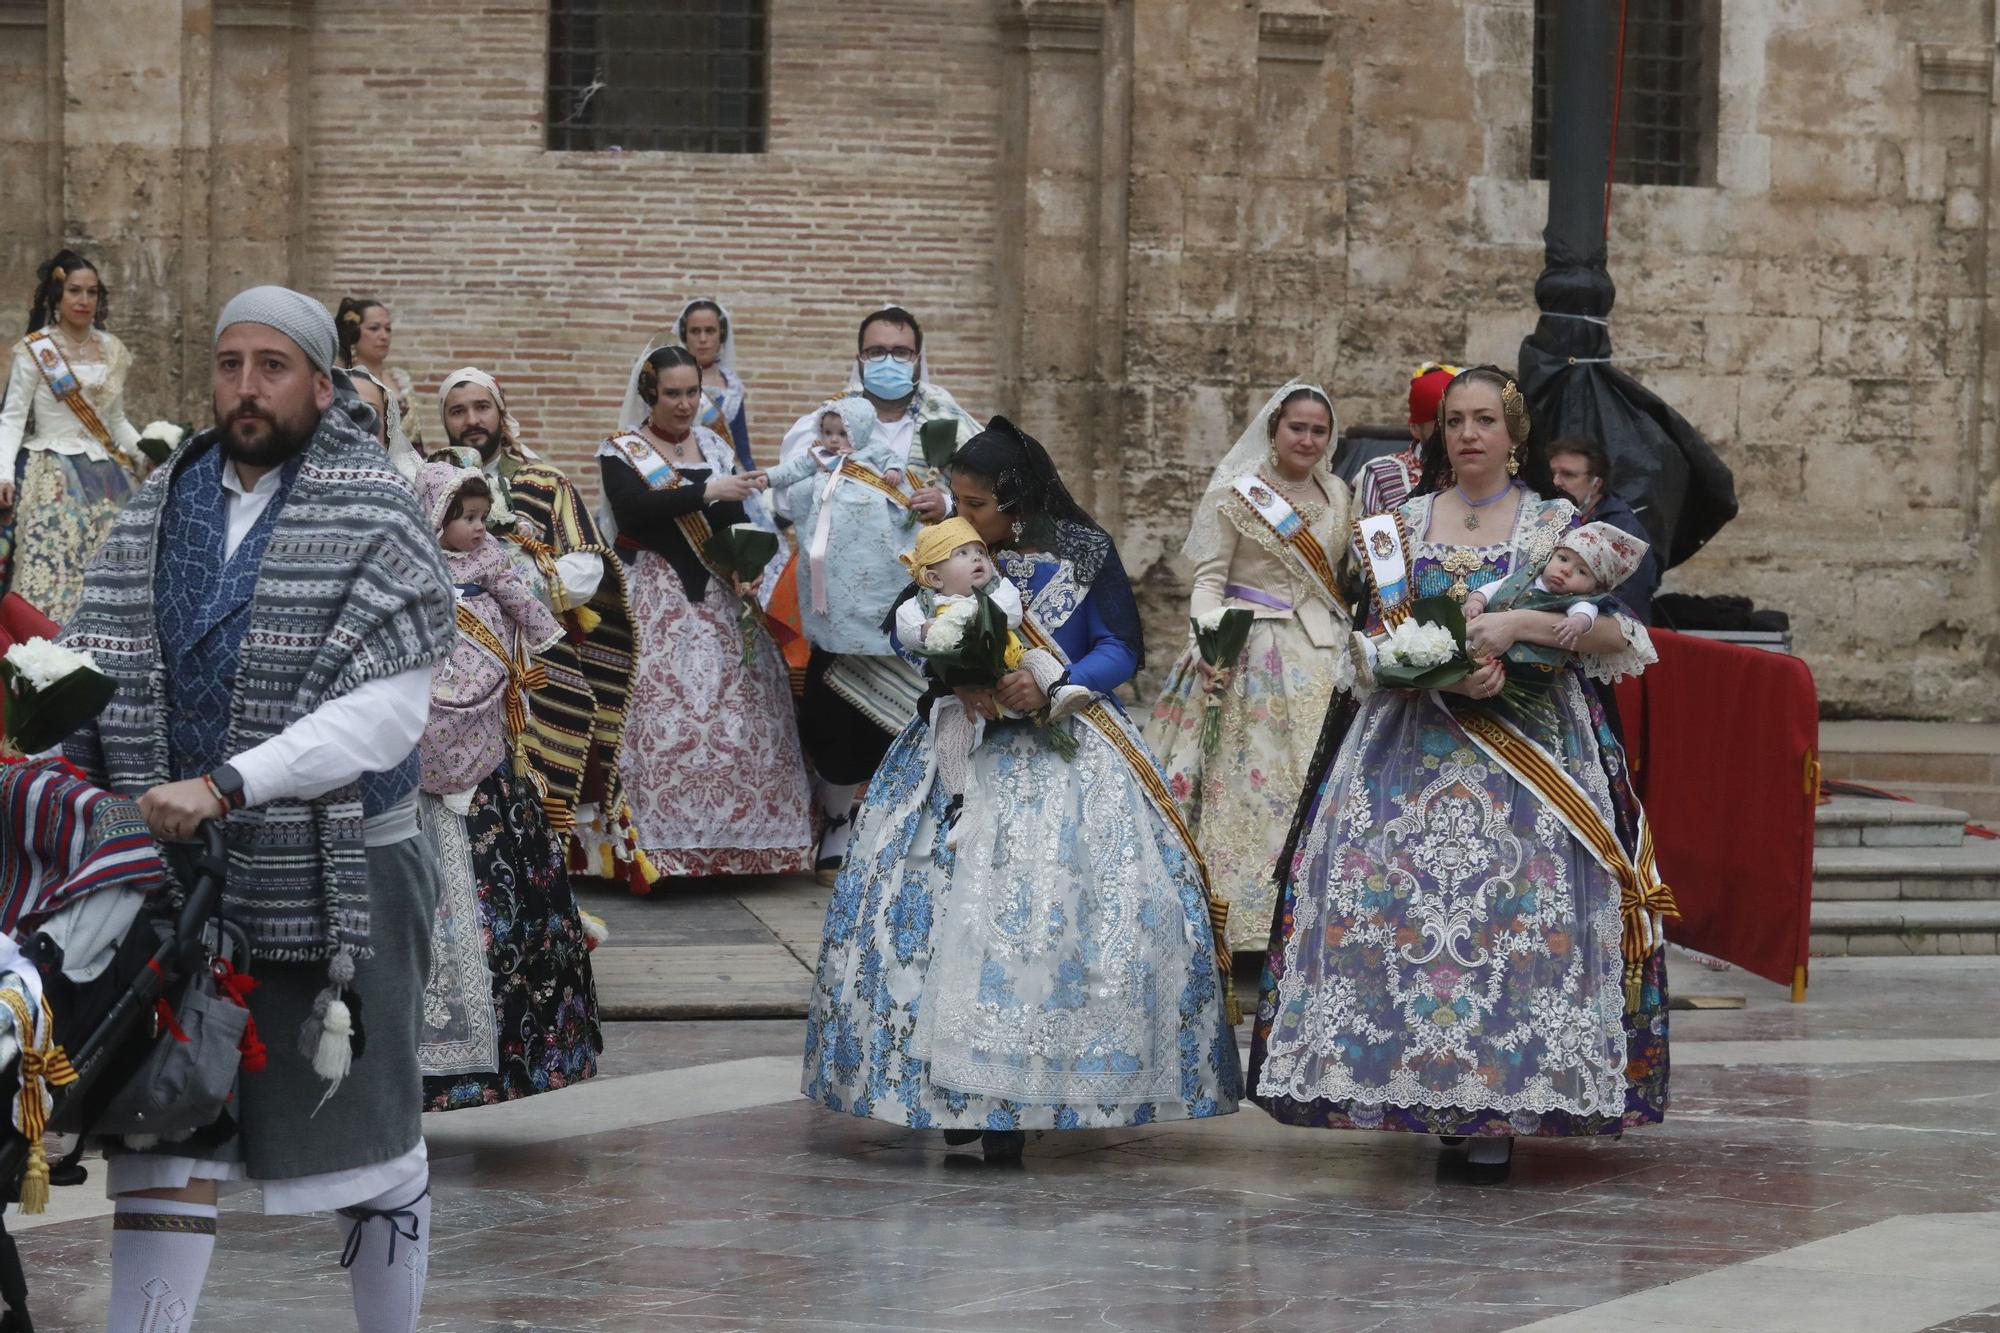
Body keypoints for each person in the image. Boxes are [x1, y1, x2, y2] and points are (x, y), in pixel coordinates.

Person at [61, 285, 453, 1328]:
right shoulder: (161, 502)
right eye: (230, 363)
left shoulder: (376, 507)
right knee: (159, 1129)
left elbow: (388, 712)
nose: (246, 386)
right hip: (172, 881)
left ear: (323, 385)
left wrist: (234, 782)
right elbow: (91, 657)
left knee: (365, 1142)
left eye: (272, 366)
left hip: (341, 880)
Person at [1249, 365, 1670, 1185]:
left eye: (1485, 420)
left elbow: (1621, 636)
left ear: (1515, 437)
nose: (1468, 434)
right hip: (1409, 754)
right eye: (1455, 422)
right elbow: (1363, 642)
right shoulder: (1397, 526)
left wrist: (1516, 626)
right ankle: (1425, 1084)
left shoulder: (1557, 524)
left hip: (1530, 760)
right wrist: (1427, 668)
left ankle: (1497, 1107)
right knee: (1403, 917)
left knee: (1512, 925)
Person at [802, 417, 1242, 1162]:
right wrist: (957, 670)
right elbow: (906, 621)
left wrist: (1054, 684)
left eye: (975, 502)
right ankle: (949, 1096)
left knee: (1040, 923)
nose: (961, 512)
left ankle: (1029, 1089)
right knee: (934, 911)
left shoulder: (1084, 551)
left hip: (1063, 745)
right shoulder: (950, 546)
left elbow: (1120, 647)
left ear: (1015, 499)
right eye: (957, 497)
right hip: (960, 750)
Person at [412, 460, 603, 1110]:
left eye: (475, 516)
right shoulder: (411, 568)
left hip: (491, 750)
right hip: (420, 732)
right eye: (458, 518)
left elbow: (525, 603)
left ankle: (520, 1057)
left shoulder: (492, 558)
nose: (470, 528)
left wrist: (544, 640)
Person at [1144, 382, 1359, 956]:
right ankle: (1236, 926)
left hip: (1321, 649)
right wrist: (1212, 644)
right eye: (1298, 428)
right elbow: (1210, 579)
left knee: (1321, 778)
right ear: (1273, 429)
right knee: (1244, 781)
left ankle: (1312, 913)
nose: (1309, 439)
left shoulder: (1339, 492)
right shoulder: (1237, 493)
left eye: (1319, 430)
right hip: (1249, 651)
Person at [776, 305, 979, 881]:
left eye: (901, 352)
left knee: (924, 708)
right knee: (834, 714)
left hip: (925, 594)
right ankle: (838, 821)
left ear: (919, 357)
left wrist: (945, 502)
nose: (888, 362)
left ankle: (922, 823)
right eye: (876, 352)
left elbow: (988, 497)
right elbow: (787, 491)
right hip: (846, 600)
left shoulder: (953, 424)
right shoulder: (828, 422)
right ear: (858, 358)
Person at [602, 344, 813, 877]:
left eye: (692, 392)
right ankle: (650, 850)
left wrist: (746, 564)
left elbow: (733, 522)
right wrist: (705, 490)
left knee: (740, 716)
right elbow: (636, 510)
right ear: (650, 394)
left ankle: (738, 846)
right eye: (671, 394)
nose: (683, 403)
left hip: (717, 597)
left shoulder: (715, 449)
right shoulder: (622, 450)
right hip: (651, 597)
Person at [436, 367, 644, 887]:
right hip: (447, 673)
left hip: (536, 667)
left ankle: (544, 898)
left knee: (536, 792)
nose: (471, 420)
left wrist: (506, 575)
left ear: (501, 411)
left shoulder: (545, 482)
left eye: (481, 407)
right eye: (457, 411)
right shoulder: (430, 482)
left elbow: (588, 569)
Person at [0, 249, 148, 622]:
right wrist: (2, 472)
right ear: (57, 296)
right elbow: (13, 417)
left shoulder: (112, 349)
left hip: (107, 477)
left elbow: (115, 420)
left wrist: (148, 453)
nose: (84, 301)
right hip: (51, 474)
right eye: (75, 291)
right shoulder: (37, 349)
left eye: (92, 292)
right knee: (51, 582)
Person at [890, 516, 1025, 805]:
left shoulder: (998, 590)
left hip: (1013, 672)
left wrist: (973, 615)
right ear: (936, 578)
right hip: (959, 691)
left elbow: (1012, 614)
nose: (976, 558)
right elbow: (905, 627)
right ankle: (960, 800)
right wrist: (927, 630)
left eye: (980, 552)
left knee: (1040, 663)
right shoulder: (925, 604)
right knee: (950, 740)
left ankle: (1059, 691)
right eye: (962, 554)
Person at [1464, 520, 1653, 650]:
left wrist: (1577, 623)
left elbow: (1585, 612)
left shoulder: (1576, 599)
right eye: (1562, 559)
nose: (1566, 570)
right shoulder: (1527, 575)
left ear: (1595, 588)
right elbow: (1495, 587)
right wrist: (1477, 600)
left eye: (1581, 571)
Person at [1545, 436, 1660, 624]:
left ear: (1596, 484)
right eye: (1552, 473)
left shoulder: (1622, 530)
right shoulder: (1549, 516)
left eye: (1568, 474)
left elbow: (1627, 602)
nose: (1556, 482)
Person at [1355, 360, 1459, 517]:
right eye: (1441, 425)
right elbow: (1367, 539)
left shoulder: (1477, 470)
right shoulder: (1381, 473)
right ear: (1415, 429)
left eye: (1456, 421)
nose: (1460, 433)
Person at [336, 296, 423, 452]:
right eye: (374, 328)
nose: (384, 336)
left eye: (388, 329)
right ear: (353, 332)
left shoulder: (399, 379)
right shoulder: (347, 379)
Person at [678, 298, 754, 471]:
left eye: (710, 330)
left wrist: (755, 479)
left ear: (722, 334)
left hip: (725, 473)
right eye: (695, 331)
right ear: (684, 334)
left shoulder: (732, 386)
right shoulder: (671, 379)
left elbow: (741, 447)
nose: (703, 339)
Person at [345, 363, 422, 482]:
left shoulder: (410, 476)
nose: (359, 425)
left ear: (385, 421)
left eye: (370, 412)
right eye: (350, 413)